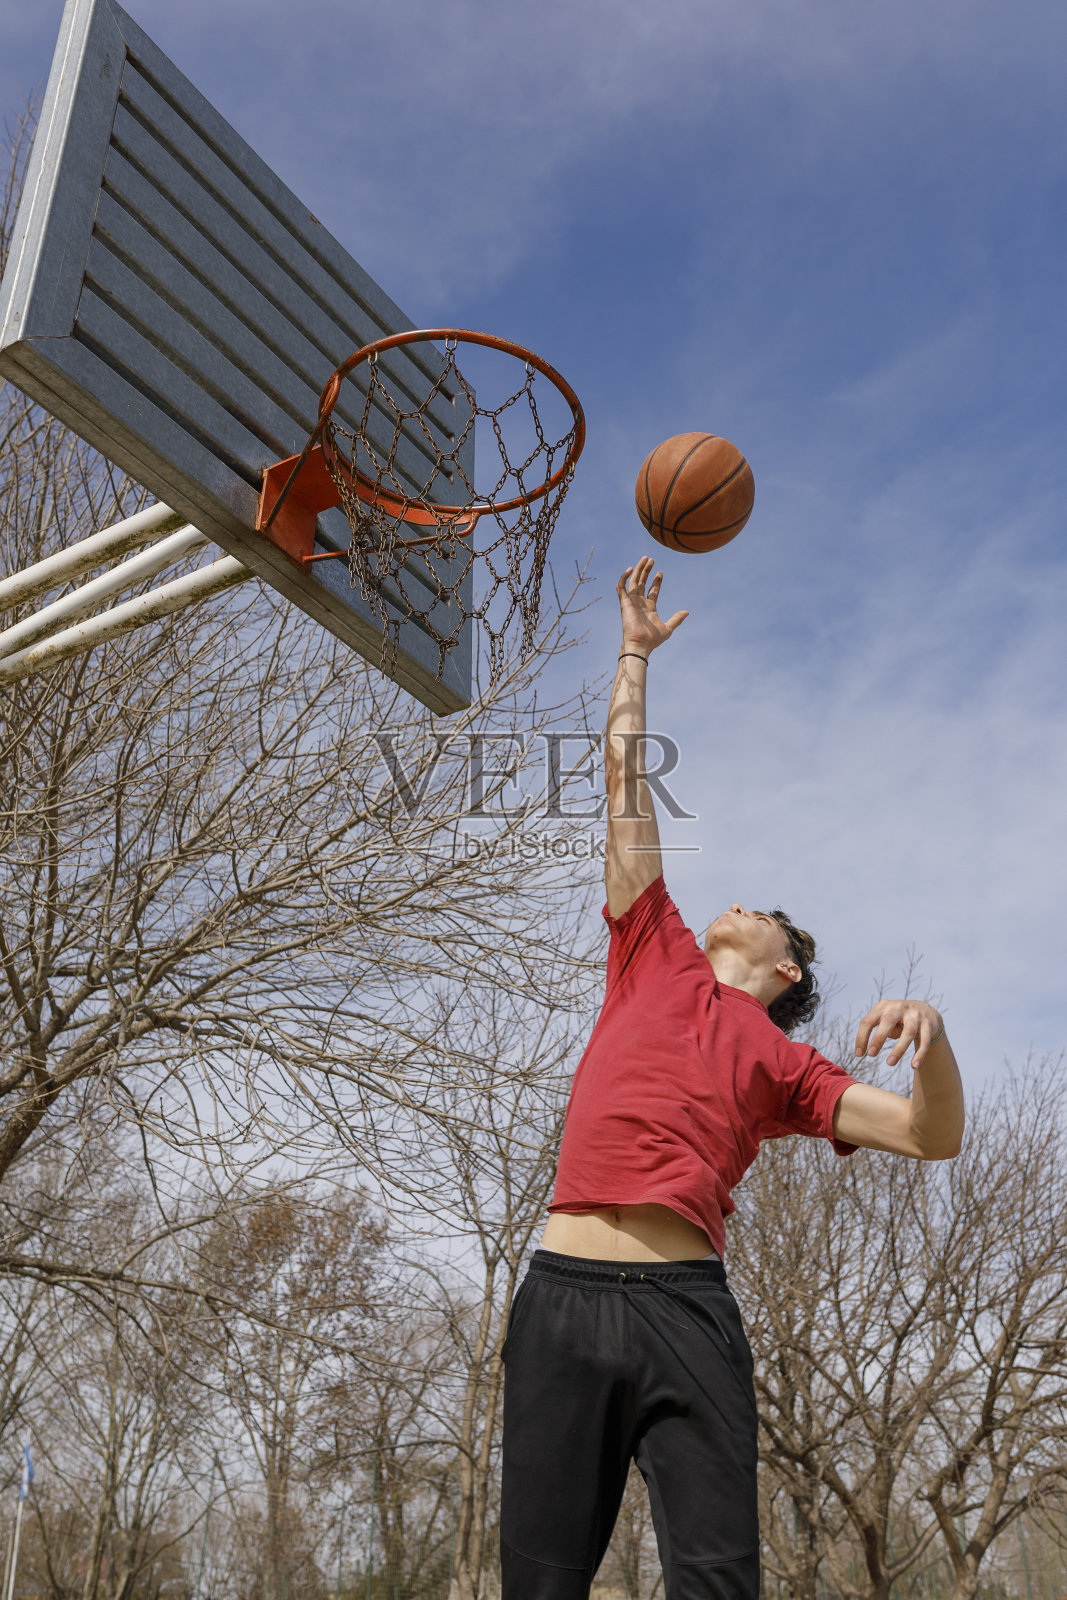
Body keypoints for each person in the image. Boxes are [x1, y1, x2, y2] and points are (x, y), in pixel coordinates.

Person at [499, 556, 965, 1600]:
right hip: (561, 1295)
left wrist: (935, 1043)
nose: (740, 901)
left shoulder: (789, 1067)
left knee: (718, 1583)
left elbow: (929, 1136)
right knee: (537, 1584)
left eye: (765, 912)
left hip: (685, 1311)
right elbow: (623, 784)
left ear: (785, 968)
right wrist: (632, 656)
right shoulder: (650, 948)